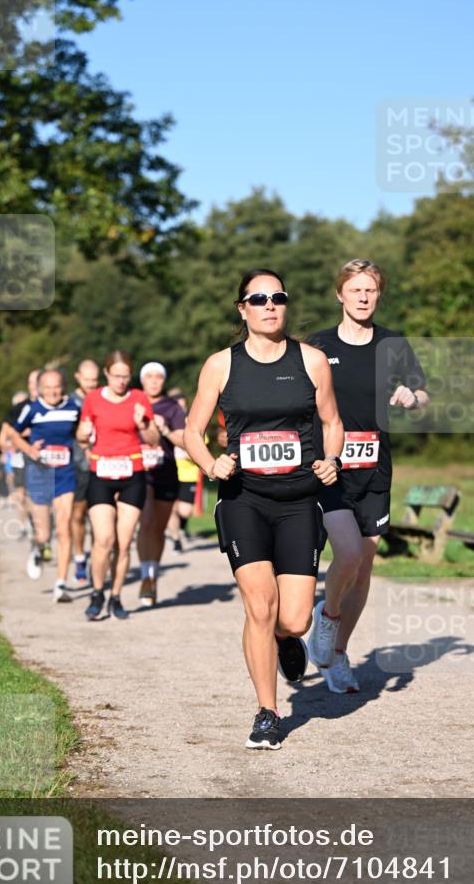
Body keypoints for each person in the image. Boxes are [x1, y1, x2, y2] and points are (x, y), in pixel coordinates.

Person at [184, 269, 344, 750]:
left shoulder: (312, 361)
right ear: (243, 309)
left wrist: (332, 460)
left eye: (278, 297)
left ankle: (286, 639)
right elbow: (192, 430)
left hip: (298, 501)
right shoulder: (220, 365)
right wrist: (212, 463)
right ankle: (268, 712)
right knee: (259, 605)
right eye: (259, 298)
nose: (269, 305)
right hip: (243, 499)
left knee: (293, 619)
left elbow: (332, 421)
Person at [307, 258, 429, 693]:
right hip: (327, 468)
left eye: (371, 290)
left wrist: (410, 395)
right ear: (339, 294)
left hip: (374, 467)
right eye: (355, 289)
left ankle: (337, 652)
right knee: (339, 558)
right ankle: (313, 621)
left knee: (363, 564)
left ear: (379, 295)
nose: (363, 297)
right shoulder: (316, 346)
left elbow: (421, 393)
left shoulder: (393, 344)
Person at [76, 350, 160, 621]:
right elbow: (80, 435)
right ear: (106, 374)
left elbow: (153, 438)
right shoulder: (92, 398)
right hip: (100, 471)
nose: (121, 381)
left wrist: (142, 423)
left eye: (126, 376)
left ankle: (116, 596)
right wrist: (84, 432)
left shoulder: (138, 398)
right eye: (116, 376)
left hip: (131, 473)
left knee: (123, 544)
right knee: (104, 539)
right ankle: (97, 592)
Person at [10, 369, 81, 601]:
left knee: (63, 527)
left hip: (65, 474)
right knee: (43, 532)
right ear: (39, 389)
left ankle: (61, 584)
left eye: (57, 386)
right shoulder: (32, 409)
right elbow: (14, 435)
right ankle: (38, 548)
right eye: (48, 387)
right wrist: (30, 449)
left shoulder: (73, 408)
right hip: (40, 474)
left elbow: (81, 432)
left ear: (64, 386)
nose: (53, 391)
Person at [136, 363, 186, 606]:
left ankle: (153, 575)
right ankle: (145, 577)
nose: (154, 381)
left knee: (158, 528)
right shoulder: (132, 402)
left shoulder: (171, 407)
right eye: (149, 377)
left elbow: (185, 440)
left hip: (165, 469)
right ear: (142, 379)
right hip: (138, 471)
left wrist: (164, 428)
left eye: (158, 377)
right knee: (145, 522)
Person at [70, 359, 100, 584]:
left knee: (99, 519)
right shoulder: (69, 402)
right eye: (87, 380)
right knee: (78, 514)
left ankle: (96, 562)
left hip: (101, 467)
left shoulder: (102, 398)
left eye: (95, 380)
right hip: (77, 466)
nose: (91, 384)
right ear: (78, 377)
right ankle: (79, 557)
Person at [165, 389, 199, 552]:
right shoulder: (164, 423)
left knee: (184, 511)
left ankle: (178, 525)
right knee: (171, 507)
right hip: (170, 471)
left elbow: (201, 450)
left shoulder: (193, 423)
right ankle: (176, 538)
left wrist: (191, 454)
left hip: (188, 473)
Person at [0, 391, 28, 533]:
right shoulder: (9, 422)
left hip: (35, 460)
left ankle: (37, 522)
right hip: (17, 459)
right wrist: (13, 444)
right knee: (20, 494)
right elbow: (2, 441)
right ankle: (23, 524)